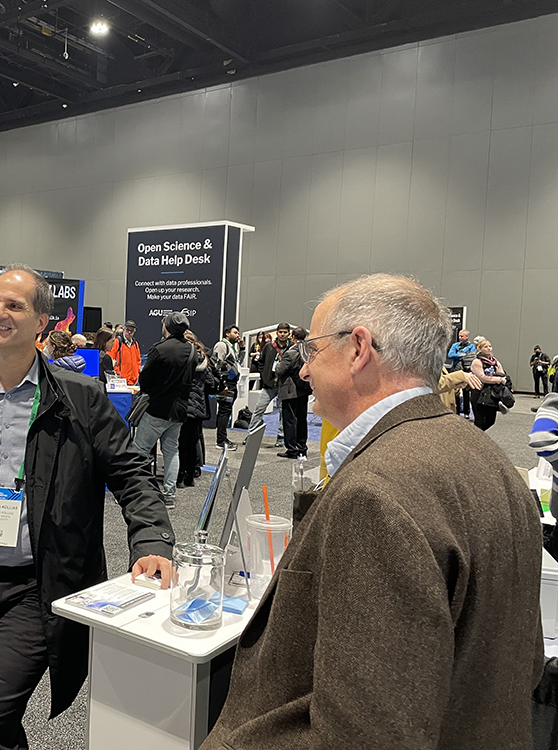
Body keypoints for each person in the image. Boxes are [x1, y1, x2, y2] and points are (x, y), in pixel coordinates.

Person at [202, 273, 543, 750]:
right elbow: (522, 660)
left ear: (358, 349)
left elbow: (367, 733)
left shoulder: (376, 495)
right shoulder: (495, 464)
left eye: (313, 352)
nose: (303, 371)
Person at [0, 264, 174, 750]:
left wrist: (152, 538)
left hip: (41, 584)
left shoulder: (82, 398)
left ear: (42, 323)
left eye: (14, 305)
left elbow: (131, 474)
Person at [133, 312, 197, 510]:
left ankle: (138, 492)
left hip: (157, 408)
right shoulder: (192, 350)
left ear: (167, 327)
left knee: (140, 450)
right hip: (179, 410)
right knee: (171, 451)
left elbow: (145, 379)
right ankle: (169, 494)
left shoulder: (160, 349)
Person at [246, 324, 290, 448]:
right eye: (280, 332)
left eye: (285, 332)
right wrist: (263, 375)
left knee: (283, 412)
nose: (282, 334)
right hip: (269, 384)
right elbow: (261, 361)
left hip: (283, 385)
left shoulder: (291, 348)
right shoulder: (269, 347)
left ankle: (281, 437)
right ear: (277, 333)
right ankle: (251, 433)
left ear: (288, 334)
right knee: (259, 409)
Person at [178, 329, 210, 487]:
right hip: (199, 406)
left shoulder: (184, 359)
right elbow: (210, 382)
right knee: (193, 442)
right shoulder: (204, 359)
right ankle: (190, 475)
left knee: (181, 444)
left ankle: (180, 476)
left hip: (184, 405)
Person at [275, 326, 311, 458]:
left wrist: (278, 364)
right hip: (304, 390)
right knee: (302, 420)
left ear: (293, 337)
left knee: (289, 420)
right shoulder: (308, 351)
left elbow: (280, 370)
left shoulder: (291, 353)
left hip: (290, 390)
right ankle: (302, 447)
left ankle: (292, 449)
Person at [212, 325, 241, 451]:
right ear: (227, 334)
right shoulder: (221, 345)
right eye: (235, 332)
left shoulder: (231, 347)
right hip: (226, 384)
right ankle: (220, 440)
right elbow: (217, 364)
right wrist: (222, 384)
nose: (238, 335)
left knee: (226, 410)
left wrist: (243, 347)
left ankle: (223, 438)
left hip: (232, 383)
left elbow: (237, 362)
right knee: (224, 410)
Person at [470, 338, 508, 431]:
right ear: (480, 349)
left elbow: (502, 373)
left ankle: (476, 437)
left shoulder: (495, 361)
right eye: (485, 347)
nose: (488, 348)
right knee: (479, 421)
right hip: (479, 393)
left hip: (492, 394)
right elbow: (482, 377)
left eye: (490, 346)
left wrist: (501, 378)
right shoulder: (477, 362)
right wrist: (498, 380)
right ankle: (475, 440)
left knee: (491, 421)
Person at [447, 329, 476, 416]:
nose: (460, 338)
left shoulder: (471, 346)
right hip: (455, 368)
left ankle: (466, 412)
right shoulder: (455, 345)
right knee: (455, 390)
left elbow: (471, 356)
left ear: (467, 337)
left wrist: (461, 355)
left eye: (462, 336)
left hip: (466, 369)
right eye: (459, 336)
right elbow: (450, 355)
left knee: (466, 391)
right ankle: (456, 410)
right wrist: (460, 355)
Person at [110, 319, 141, 384]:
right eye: (127, 330)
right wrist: (117, 372)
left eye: (131, 331)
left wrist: (136, 372)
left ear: (134, 331)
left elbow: (138, 360)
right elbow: (110, 358)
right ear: (123, 329)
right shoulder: (117, 342)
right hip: (120, 381)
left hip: (133, 381)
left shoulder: (135, 344)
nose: (129, 332)